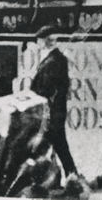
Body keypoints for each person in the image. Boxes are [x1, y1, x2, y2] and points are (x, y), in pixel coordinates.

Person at [29, 25, 77, 177]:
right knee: (59, 145)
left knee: (49, 144)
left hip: (51, 110)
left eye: (39, 40)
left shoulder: (53, 60)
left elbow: (46, 88)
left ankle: (69, 175)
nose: (37, 43)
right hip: (54, 110)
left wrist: (33, 96)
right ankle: (71, 175)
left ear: (46, 41)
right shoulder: (54, 58)